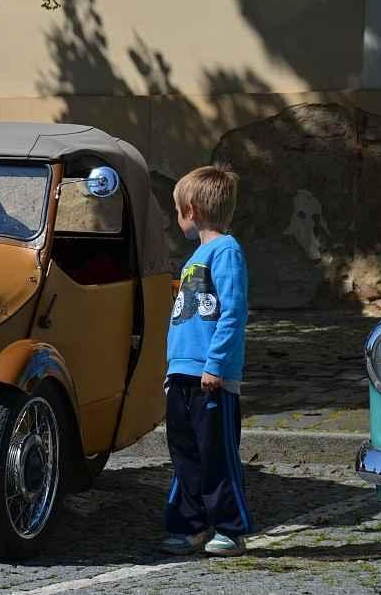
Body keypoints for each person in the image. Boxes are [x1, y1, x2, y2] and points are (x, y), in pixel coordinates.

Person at [161, 164, 253, 557]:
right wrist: (172, 369)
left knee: (216, 455)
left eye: (178, 209)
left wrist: (214, 365)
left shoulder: (226, 252)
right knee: (185, 455)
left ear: (193, 209)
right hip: (182, 374)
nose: (177, 216)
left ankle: (232, 529)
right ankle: (189, 525)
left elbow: (233, 313)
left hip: (210, 377)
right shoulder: (196, 255)